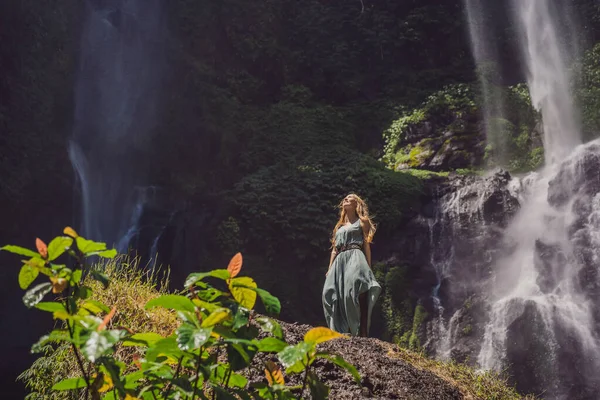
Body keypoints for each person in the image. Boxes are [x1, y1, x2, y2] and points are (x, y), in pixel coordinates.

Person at [322, 194, 382, 337]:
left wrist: (368, 267)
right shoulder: (340, 226)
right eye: (345, 199)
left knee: (352, 292)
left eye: (349, 199)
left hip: (355, 256)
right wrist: (329, 269)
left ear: (357, 204)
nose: (345, 200)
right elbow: (335, 249)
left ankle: (358, 330)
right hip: (339, 261)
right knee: (328, 293)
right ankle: (339, 329)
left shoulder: (363, 222)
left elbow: (366, 245)